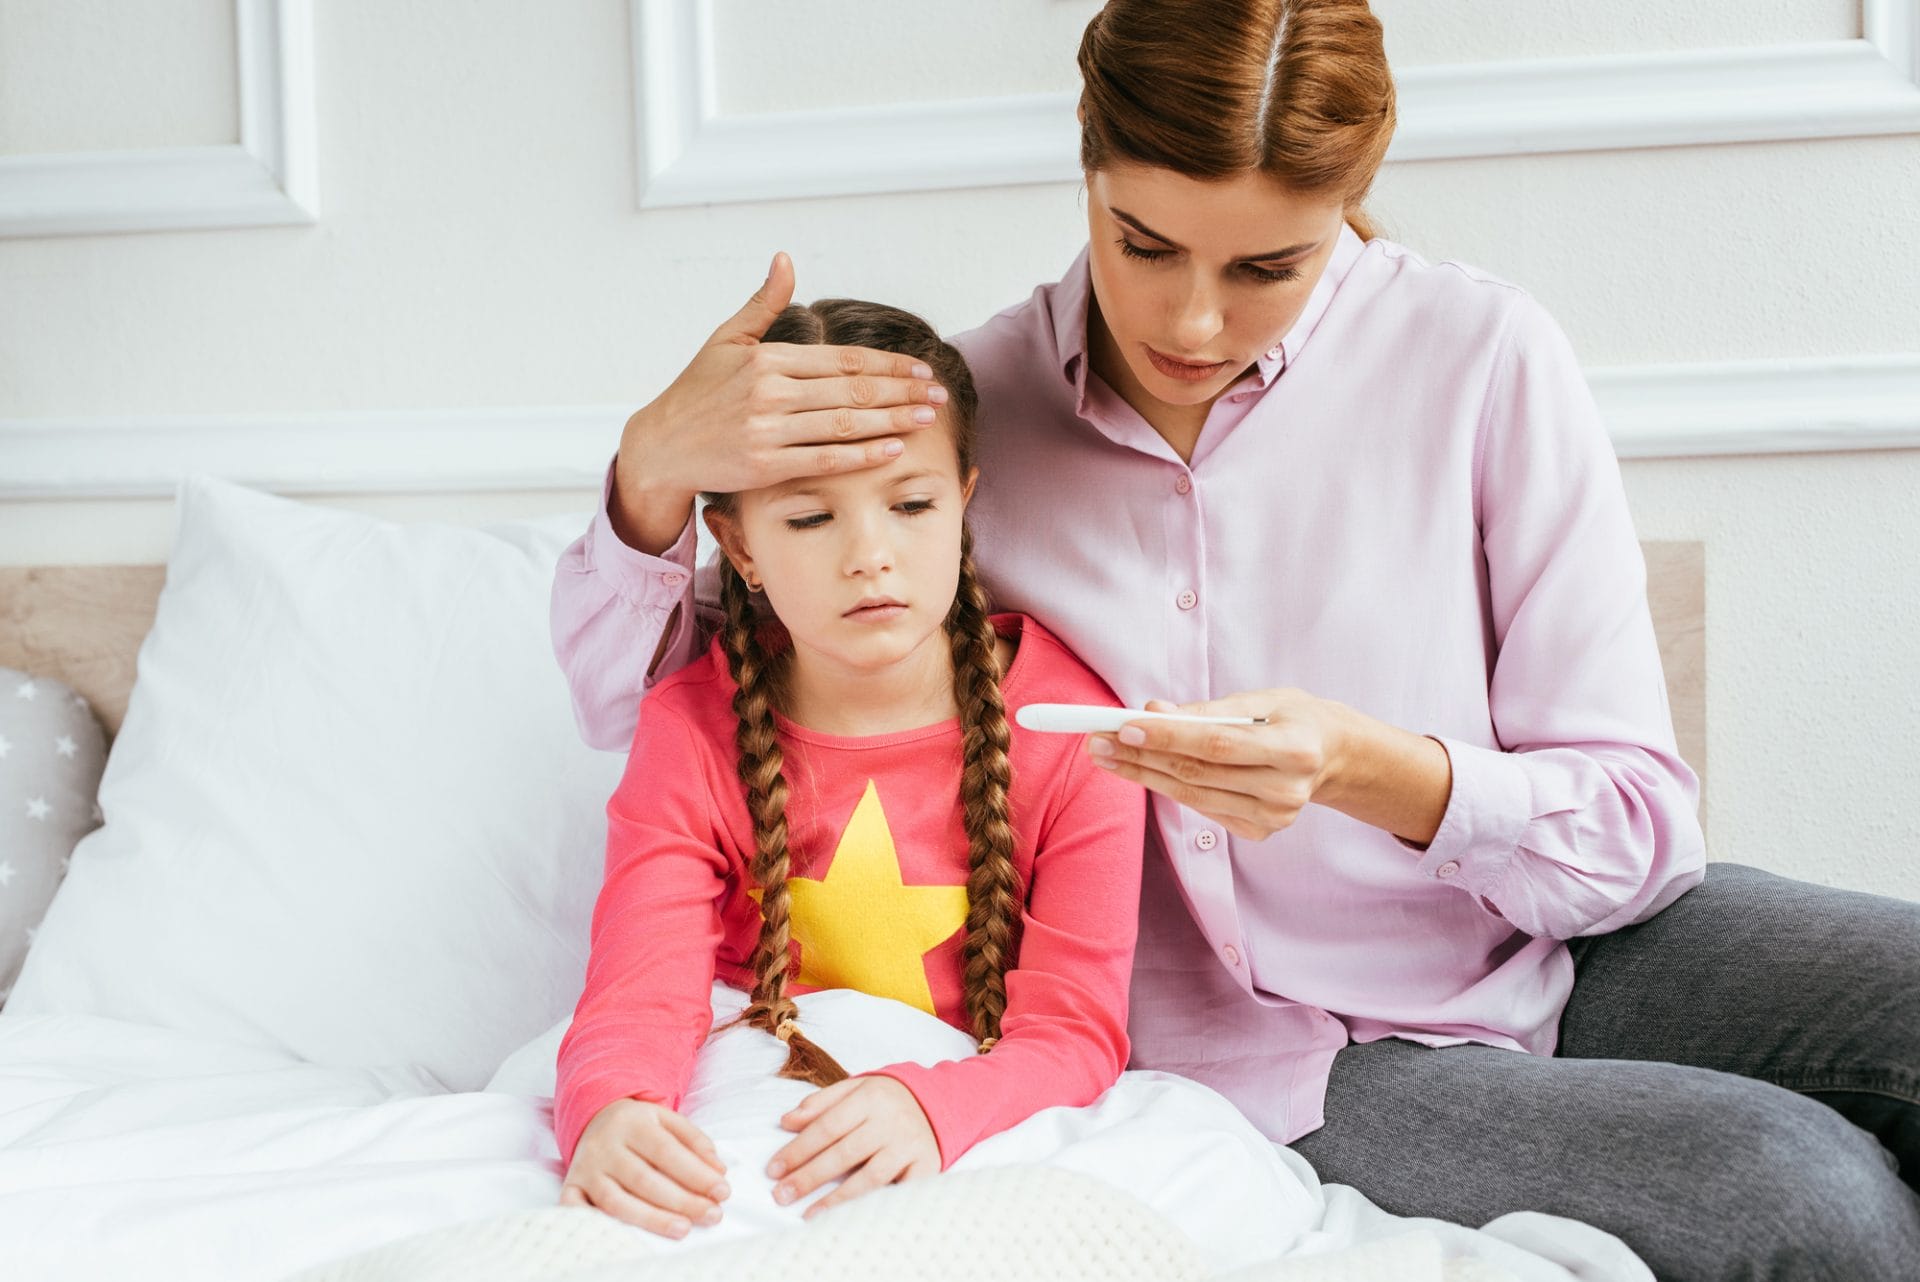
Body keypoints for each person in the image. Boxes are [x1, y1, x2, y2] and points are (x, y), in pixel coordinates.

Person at [548, 2, 1920, 1276]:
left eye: (1269, 265)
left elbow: (1637, 829)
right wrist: (654, 468)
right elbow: (652, 707)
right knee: (1808, 1191)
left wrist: (1370, 769)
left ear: (1349, 208)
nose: (1192, 320)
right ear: (1086, 169)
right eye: (1143, 244)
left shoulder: (1484, 357)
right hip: (1288, 1056)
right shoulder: (952, 421)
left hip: (1559, 936)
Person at [552, 299, 1146, 1240]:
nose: (871, 557)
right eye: (810, 516)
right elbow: (641, 990)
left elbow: (1074, 1032)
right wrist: (610, 1108)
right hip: (764, 1093)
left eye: (912, 505)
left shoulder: (1074, 730)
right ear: (740, 545)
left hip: (965, 1108)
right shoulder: (690, 729)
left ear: (964, 504)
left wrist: (933, 1108)